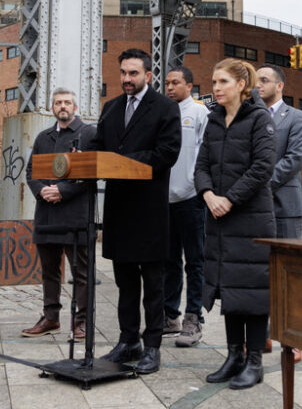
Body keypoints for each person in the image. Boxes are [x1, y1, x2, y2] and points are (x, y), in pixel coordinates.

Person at [89, 48, 181, 375]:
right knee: (125, 282)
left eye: (133, 73)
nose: (127, 79)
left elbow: (167, 153)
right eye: (123, 73)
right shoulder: (111, 107)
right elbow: (100, 145)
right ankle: (128, 340)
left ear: (148, 75)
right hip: (119, 208)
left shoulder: (165, 107)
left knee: (153, 283)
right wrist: (83, 155)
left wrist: (122, 163)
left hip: (149, 208)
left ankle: (152, 345)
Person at [196, 58, 276, 390]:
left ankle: (254, 361)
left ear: (241, 85)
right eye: (214, 82)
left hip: (251, 218)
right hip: (219, 219)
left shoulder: (259, 118)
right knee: (229, 286)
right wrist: (207, 194)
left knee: (252, 290)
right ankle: (233, 356)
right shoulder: (214, 119)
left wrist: (228, 199)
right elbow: (201, 164)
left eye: (223, 82)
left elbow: (262, 167)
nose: (216, 88)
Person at [23, 88, 96, 341]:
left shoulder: (89, 134)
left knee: (82, 273)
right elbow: (31, 171)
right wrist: (42, 190)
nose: (62, 106)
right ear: (53, 108)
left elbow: (92, 173)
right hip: (47, 214)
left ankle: (82, 323)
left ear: (75, 107)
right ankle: (51, 318)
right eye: (57, 103)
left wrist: (62, 191)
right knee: (49, 271)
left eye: (66, 102)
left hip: (76, 214)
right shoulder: (43, 137)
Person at [255, 64, 302, 361]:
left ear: (279, 86)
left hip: (285, 206)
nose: (258, 85)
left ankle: (292, 339)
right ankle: (262, 334)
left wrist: (260, 184)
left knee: (288, 274)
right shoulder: (251, 116)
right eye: (255, 80)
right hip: (255, 209)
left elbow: (295, 159)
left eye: (264, 80)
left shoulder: (297, 118)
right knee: (260, 273)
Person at [162, 66, 209, 347]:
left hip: (191, 198)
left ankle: (194, 318)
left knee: (194, 261)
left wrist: (198, 186)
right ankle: (170, 316)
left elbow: (205, 154)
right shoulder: (163, 113)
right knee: (169, 261)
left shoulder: (200, 113)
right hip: (164, 199)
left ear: (189, 86)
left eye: (175, 83)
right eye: (167, 83)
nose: (169, 87)